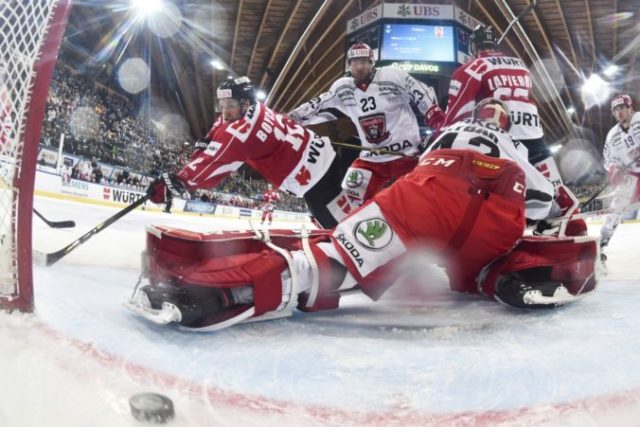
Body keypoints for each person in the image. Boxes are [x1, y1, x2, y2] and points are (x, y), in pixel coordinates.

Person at [126, 99, 598, 330]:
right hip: (494, 216)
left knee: (334, 258)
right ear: (507, 124)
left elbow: (418, 173)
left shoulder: (449, 131)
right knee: (491, 257)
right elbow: (547, 204)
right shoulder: (517, 147)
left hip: (430, 193)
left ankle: (223, 292)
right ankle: (503, 277)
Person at [435, 25, 587, 237]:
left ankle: (489, 233)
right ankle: (576, 228)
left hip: (501, 139)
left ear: (474, 46)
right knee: (555, 189)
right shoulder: (520, 64)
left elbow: (457, 114)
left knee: (488, 188)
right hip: (534, 135)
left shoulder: (471, 68)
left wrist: (437, 139)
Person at [147, 76, 355, 228]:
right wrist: (205, 143)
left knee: (339, 228)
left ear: (245, 103)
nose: (225, 111)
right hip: (325, 155)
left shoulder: (241, 136)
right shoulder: (257, 107)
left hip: (313, 180)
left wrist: (179, 181)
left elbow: (214, 163)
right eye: (222, 105)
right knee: (344, 213)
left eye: (230, 105)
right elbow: (221, 125)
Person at [288, 43, 444, 207]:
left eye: (364, 61)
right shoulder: (342, 87)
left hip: (406, 155)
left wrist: (434, 115)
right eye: (355, 62)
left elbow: (419, 90)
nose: (360, 66)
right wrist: (294, 118)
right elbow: (319, 104)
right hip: (371, 159)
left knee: (416, 201)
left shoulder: (392, 75)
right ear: (349, 65)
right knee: (348, 199)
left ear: (372, 62)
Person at [599, 94, 640, 264]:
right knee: (617, 207)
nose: (620, 112)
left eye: (622, 108)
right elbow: (608, 161)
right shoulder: (612, 135)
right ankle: (601, 244)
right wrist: (614, 170)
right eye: (616, 110)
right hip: (632, 173)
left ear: (631, 108)